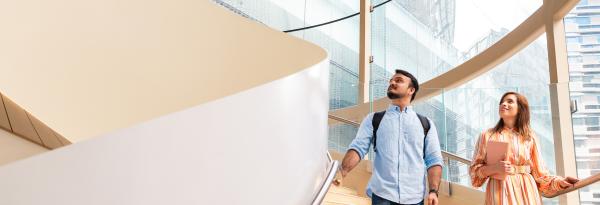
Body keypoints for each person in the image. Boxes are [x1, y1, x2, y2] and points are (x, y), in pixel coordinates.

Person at [335, 69, 443, 205]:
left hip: (415, 198)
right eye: (391, 81)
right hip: (382, 195)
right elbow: (358, 148)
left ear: (411, 90)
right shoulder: (373, 119)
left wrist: (434, 191)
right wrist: (342, 170)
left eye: (398, 80)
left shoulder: (426, 124)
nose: (392, 82)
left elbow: (434, 160)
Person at [469, 91, 579, 205]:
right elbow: (474, 173)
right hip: (499, 190)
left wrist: (560, 182)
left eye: (509, 101)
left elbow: (540, 174)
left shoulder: (530, 137)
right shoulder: (487, 135)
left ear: (520, 108)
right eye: (502, 102)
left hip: (527, 190)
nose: (503, 104)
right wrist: (493, 168)